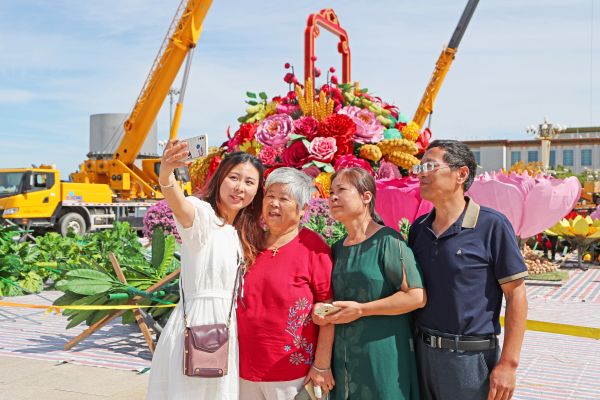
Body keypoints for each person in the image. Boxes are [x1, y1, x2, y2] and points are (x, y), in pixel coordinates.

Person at [408, 140, 528, 400]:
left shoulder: (492, 225)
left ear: (461, 174)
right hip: (422, 355)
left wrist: (509, 364)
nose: (421, 174)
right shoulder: (419, 229)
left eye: (430, 166)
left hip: (469, 362)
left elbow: (516, 294)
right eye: (419, 167)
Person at [146, 142, 265, 400]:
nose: (240, 187)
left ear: (257, 191)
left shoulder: (242, 232)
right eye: (234, 177)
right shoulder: (203, 216)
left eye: (249, 182)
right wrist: (166, 174)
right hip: (197, 329)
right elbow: (181, 206)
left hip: (227, 330)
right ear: (220, 178)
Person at [315, 167, 426, 400]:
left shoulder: (388, 240)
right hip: (344, 358)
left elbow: (416, 296)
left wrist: (362, 310)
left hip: (383, 356)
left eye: (341, 190)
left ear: (366, 197)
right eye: (331, 192)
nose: (333, 197)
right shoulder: (336, 248)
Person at [236, 167, 335, 400]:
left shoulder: (313, 247)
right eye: (270, 196)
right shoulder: (249, 243)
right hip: (242, 368)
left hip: (292, 373)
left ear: (303, 209)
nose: (274, 204)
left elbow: (328, 309)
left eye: (283, 198)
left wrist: (321, 365)